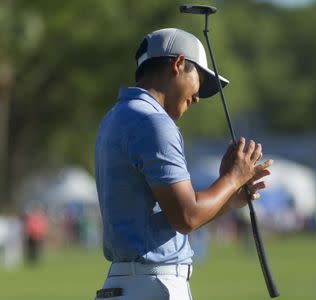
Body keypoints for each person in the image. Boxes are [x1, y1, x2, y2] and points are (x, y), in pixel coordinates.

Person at [94, 28, 273, 300]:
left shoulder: (115, 116)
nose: (198, 97)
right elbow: (186, 217)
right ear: (178, 64)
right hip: (155, 286)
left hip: (123, 284)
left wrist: (229, 197)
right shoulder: (154, 122)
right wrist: (233, 178)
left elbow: (169, 215)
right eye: (198, 79)